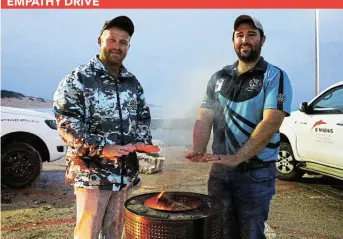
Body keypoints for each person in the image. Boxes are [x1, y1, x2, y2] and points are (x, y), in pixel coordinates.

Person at [185, 15, 293, 239]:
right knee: (219, 231)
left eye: (251, 35)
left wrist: (237, 157)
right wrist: (198, 147)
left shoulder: (274, 76)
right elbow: (205, 115)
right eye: (239, 35)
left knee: (250, 233)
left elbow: (272, 121)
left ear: (262, 40)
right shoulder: (219, 77)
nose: (245, 40)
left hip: (255, 173)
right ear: (233, 40)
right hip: (219, 172)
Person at [53, 16, 153, 239]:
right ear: (100, 40)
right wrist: (101, 148)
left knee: (115, 233)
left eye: (123, 42)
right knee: (87, 233)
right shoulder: (79, 78)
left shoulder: (132, 82)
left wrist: (142, 142)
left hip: (125, 175)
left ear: (128, 46)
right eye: (112, 40)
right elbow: (66, 122)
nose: (117, 46)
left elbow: (143, 118)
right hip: (92, 176)